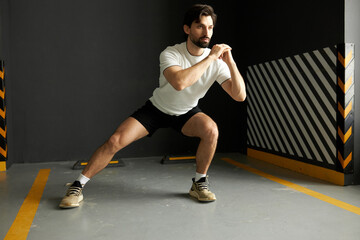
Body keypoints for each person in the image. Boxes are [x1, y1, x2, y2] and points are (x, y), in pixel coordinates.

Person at [59, 4, 246, 208]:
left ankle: (199, 183)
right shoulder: (171, 53)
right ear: (187, 29)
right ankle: (78, 185)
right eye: (200, 26)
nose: (206, 32)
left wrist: (231, 63)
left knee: (211, 130)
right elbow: (180, 83)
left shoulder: (218, 63)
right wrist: (210, 57)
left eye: (210, 27)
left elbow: (239, 96)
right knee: (115, 141)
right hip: (156, 109)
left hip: (187, 112)